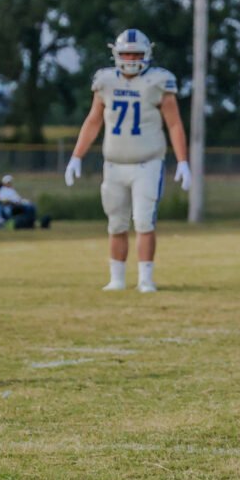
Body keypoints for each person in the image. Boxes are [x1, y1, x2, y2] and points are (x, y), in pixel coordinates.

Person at [66, 29, 190, 293]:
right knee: (116, 223)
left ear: (147, 54)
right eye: (126, 53)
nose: (131, 58)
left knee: (144, 222)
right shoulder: (105, 81)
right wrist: (76, 156)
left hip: (147, 163)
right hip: (113, 164)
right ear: (116, 54)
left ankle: (145, 279)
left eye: (136, 53)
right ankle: (117, 278)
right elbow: (93, 120)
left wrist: (183, 161)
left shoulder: (159, 81)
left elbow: (175, 124)